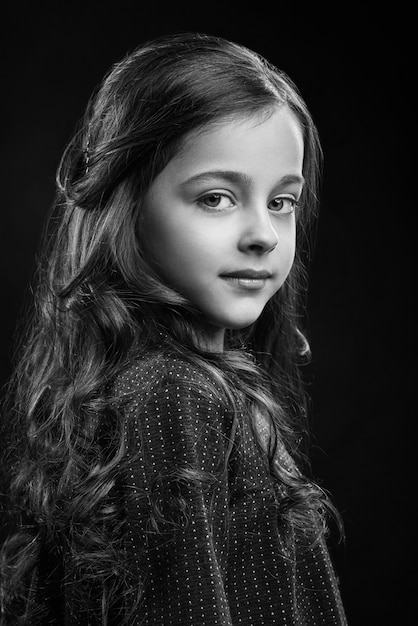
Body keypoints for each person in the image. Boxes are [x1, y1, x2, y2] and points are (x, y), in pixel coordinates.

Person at [0, 32, 347, 625]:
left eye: (282, 201)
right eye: (215, 198)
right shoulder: (171, 394)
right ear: (128, 206)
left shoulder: (190, 388)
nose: (262, 233)